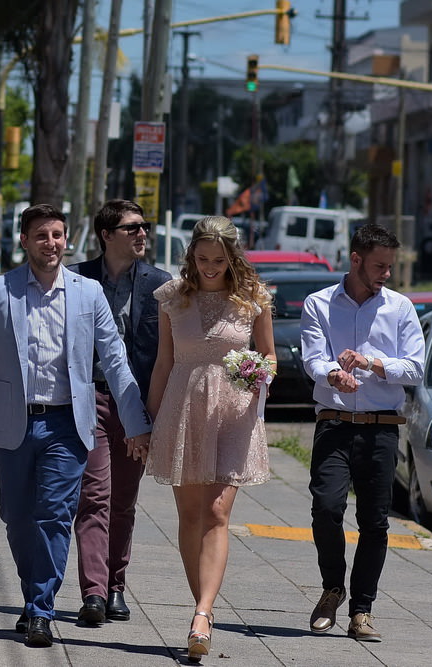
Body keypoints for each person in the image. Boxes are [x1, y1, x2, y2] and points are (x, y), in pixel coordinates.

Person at [0, 204, 152, 649]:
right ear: (24, 241)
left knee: (54, 516)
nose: (51, 243)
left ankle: (40, 609)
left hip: (68, 425)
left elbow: (115, 362)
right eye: (41, 235)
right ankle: (32, 593)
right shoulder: (1, 292)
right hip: (13, 423)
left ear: (67, 240)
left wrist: (136, 424)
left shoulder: (88, 293)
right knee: (17, 519)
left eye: (57, 235)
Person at [146, 216, 275, 662]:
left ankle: (202, 613)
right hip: (182, 408)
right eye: (202, 259)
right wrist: (148, 421)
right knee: (190, 515)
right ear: (191, 256)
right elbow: (163, 362)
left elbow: (270, 356)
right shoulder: (171, 299)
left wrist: (261, 373)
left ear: (233, 257)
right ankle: (201, 606)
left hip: (234, 412)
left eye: (219, 260)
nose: (210, 267)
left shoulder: (253, 300)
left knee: (217, 511)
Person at [300, 222, 425, 643]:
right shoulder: (319, 304)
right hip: (334, 424)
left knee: (374, 522)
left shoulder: (400, 308)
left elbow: (416, 367)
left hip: (381, 429)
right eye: (379, 266)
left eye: (389, 267)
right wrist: (334, 374)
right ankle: (332, 587)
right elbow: (313, 358)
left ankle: (361, 609)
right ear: (355, 260)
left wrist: (372, 363)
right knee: (326, 508)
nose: (386, 274)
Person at [68, 200, 171, 625]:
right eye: (132, 228)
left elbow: (165, 354)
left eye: (144, 226)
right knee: (93, 496)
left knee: (124, 502)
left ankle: (115, 586)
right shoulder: (75, 278)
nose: (143, 234)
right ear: (106, 235)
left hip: (136, 406)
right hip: (88, 398)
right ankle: (92, 592)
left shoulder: (161, 285)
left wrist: (152, 414)